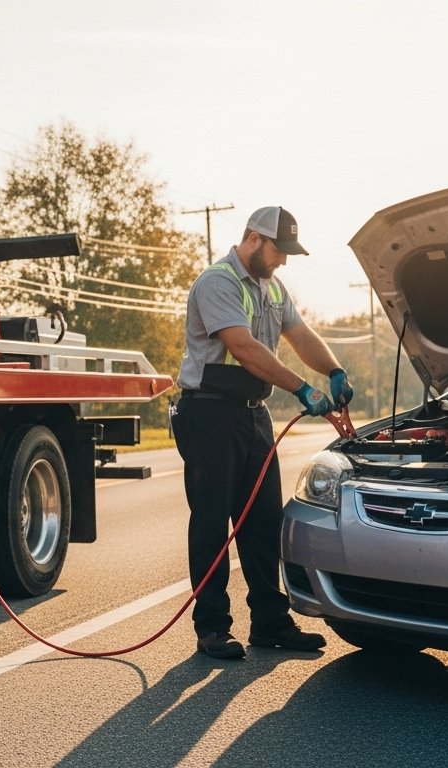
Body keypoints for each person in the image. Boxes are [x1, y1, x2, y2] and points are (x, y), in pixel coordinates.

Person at [171, 206, 354, 660]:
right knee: (212, 522)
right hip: (209, 413)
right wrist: (303, 388)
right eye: (279, 249)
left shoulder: (272, 288)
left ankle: (270, 623)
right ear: (253, 238)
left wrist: (333, 370)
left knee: (264, 520)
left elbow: (300, 334)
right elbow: (243, 347)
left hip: (253, 415)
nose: (284, 260)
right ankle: (212, 628)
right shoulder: (218, 282)